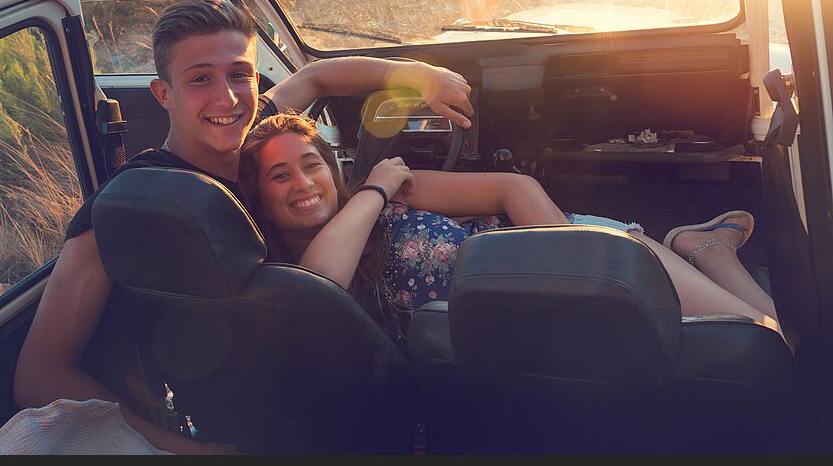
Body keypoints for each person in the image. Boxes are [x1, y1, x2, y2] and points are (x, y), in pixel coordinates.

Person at [13, 0, 475, 454]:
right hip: (255, 426)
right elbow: (40, 374)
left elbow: (317, 76)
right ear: (163, 94)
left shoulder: (256, 139)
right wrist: (182, 454)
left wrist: (421, 75)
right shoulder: (133, 205)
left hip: (342, 381)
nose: (227, 98)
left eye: (239, 74)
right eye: (200, 79)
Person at [239, 114, 781, 342]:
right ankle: (706, 248)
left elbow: (512, 190)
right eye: (280, 175)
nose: (304, 183)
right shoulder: (293, 273)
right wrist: (371, 192)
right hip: (530, 332)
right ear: (260, 196)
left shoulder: (395, 190)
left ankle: (707, 251)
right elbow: (324, 282)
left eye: (312, 164)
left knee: (768, 337)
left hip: (592, 259)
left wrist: (580, 272)